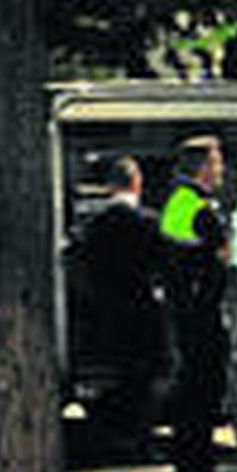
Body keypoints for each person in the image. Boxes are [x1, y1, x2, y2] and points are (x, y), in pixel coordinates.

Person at [159, 136, 237, 472]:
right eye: (217, 162)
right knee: (203, 405)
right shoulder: (200, 208)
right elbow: (226, 255)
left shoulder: (177, 202)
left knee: (187, 402)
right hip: (203, 319)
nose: (221, 169)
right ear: (204, 168)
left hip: (182, 316)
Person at [79, 156, 166, 456]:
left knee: (121, 374)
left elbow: (84, 267)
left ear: (110, 186)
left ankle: (114, 431)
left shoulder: (95, 226)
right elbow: (163, 265)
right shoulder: (148, 222)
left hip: (107, 313)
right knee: (145, 379)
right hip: (142, 311)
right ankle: (140, 439)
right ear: (137, 183)